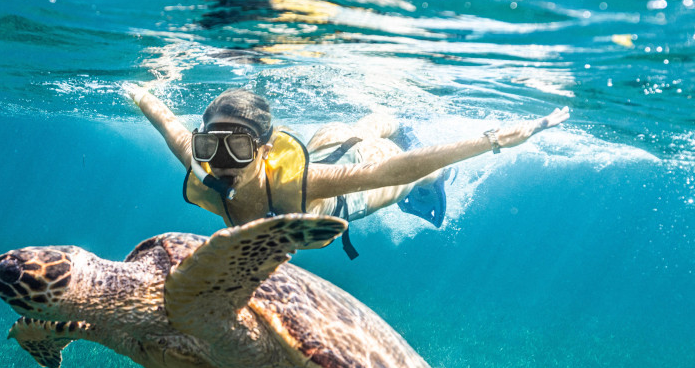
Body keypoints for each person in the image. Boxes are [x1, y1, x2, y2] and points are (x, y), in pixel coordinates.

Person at [126, 84, 570, 257]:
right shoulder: (200, 162)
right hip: (324, 149)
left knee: (409, 171)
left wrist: (492, 140)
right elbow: (169, 126)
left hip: (350, 193)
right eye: (210, 145)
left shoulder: (303, 183)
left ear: (263, 149)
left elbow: (393, 172)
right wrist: (143, 96)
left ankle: (401, 128)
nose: (220, 160)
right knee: (345, 132)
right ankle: (384, 120)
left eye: (238, 147)